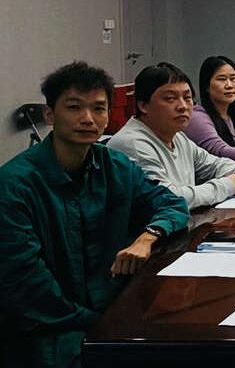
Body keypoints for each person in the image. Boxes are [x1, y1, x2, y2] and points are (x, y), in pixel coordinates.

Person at [0, 61, 189, 367]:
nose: (88, 119)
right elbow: (27, 289)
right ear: (50, 115)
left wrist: (147, 237)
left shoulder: (115, 166)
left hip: (112, 315)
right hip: (47, 332)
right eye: (74, 107)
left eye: (99, 108)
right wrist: (104, 324)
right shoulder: (15, 184)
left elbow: (172, 204)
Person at [108, 62, 235, 212]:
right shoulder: (131, 144)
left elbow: (215, 165)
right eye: (170, 98)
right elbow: (168, 198)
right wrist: (229, 185)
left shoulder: (178, 137)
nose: (183, 106)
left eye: (187, 98)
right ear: (143, 105)